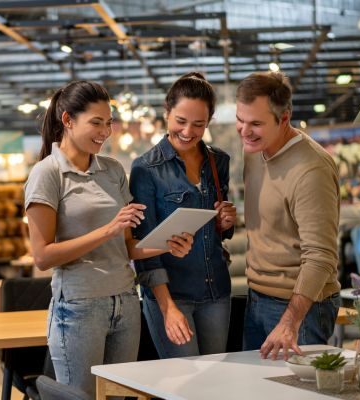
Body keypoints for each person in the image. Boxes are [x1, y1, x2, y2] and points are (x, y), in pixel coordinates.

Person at [24, 80, 193, 396]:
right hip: (78, 308)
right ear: (68, 121)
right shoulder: (46, 174)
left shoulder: (113, 170)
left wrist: (165, 243)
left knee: (120, 395)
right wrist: (108, 229)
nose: (105, 131)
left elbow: (127, 246)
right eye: (96, 123)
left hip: (126, 304)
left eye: (108, 122)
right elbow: (43, 256)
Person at [129, 72, 237, 358]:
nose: (188, 131)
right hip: (171, 295)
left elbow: (218, 230)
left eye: (198, 124)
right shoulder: (146, 169)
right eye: (180, 121)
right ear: (166, 113)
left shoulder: (219, 162)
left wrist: (225, 223)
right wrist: (167, 307)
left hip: (216, 292)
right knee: (183, 385)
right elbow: (144, 249)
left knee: (215, 383)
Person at [235, 71, 341, 360]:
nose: (245, 131)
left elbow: (321, 256)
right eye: (240, 120)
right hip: (256, 297)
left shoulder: (311, 170)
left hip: (300, 309)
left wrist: (289, 322)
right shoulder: (254, 150)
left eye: (256, 123)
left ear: (284, 119)